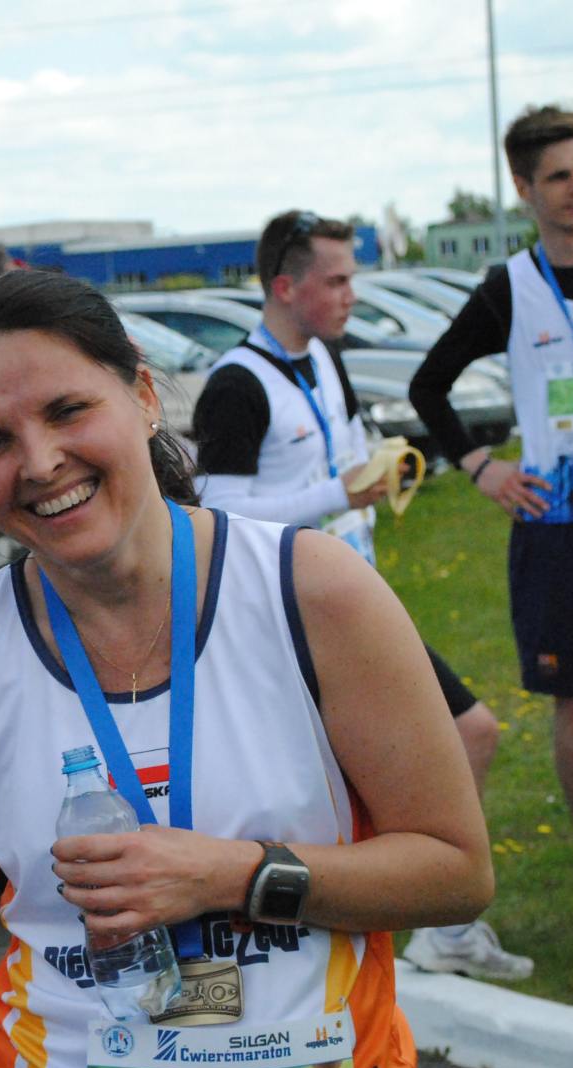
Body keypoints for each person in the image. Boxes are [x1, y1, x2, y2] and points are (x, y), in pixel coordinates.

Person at [0, 270, 492, 1068]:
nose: (40, 462)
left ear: (141, 393)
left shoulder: (312, 592)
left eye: (66, 410)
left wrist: (229, 874)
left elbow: (455, 871)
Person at [192, 210, 531, 981]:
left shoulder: (322, 356)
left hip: (350, 605)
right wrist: (335, 493)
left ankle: (424, 926)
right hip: (280, 623)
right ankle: (407, 926)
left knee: (458, 738)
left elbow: (343, 457)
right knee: (461, 734)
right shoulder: (237, 384)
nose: (352, 294)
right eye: (337, 280)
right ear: (285, 287)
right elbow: (217, 514)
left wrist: (377, 471)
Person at [408, 105, 573, 934]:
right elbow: (427, 386)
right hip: (554, 534)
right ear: (523, 188)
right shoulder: (508, 287)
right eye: (557, 176)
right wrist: (481, 468)